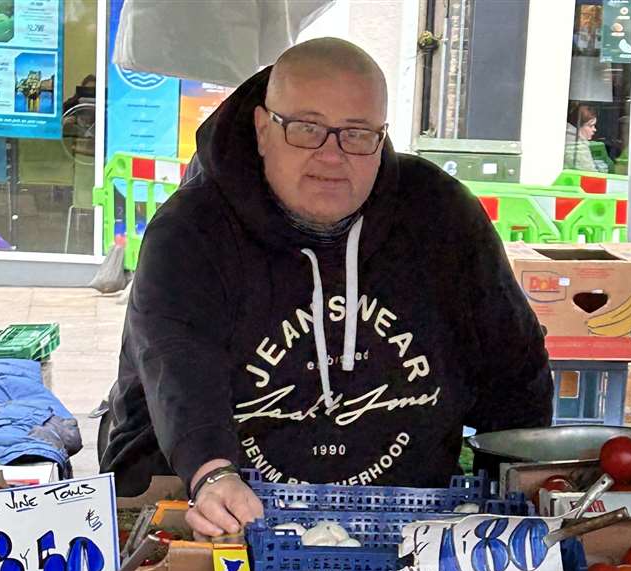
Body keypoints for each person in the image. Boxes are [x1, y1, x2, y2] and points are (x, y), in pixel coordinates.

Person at [102, 37, 553, 535]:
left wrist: (513, 492)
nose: (331, 155)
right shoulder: (192, 230)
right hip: (212, 518)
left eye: (357, 134)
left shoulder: (440, 216)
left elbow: (515, 367)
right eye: (306, 129)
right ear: (262, 129)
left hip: (403, 531)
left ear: (382, 137)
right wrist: (213, 472)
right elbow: (177, 367)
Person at [564, 102, 600, 172]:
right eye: (591, 125)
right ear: (578, 126)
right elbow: (591, 175)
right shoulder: (578, 147)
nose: (594, 129)